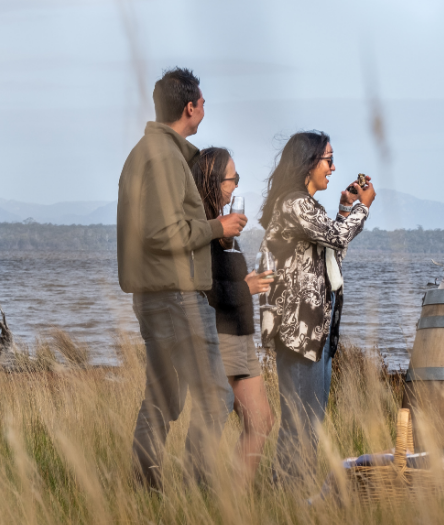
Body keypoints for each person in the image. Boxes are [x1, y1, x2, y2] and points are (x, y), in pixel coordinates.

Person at [117, 68, 247, 490]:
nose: (206, 109)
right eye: (203, 103)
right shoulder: (161, 157)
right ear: (189, 107)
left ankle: (144, 489)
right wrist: (217, 227)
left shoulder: (161, 152)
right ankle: (200, 491)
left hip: (158, 296)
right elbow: (160, 233)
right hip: (174, 298)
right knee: (215, 398)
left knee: (164, 398)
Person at [258, 131, 375, 485]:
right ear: (309, 164)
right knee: (301, 423)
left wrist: (343, 210)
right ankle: (285, 496)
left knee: (313, 421)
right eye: (328, 159)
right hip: (297, 331)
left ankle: (295, 498)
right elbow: (338, 237)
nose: (333, 167)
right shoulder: (294, 204)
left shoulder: (308, 207)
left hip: (316, 329)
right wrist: (362, 207)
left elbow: (331, 255)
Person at [191, 147, 275, 484]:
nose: (236, 186)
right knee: (228, 420)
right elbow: (203, 291)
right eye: (232, 179)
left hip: (240, 337)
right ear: (213, 182)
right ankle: (212, 494)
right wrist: (247, 289)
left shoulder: (222, 230)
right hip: (222, 336)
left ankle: (233, 499)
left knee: (261, 421)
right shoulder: (201, 228)